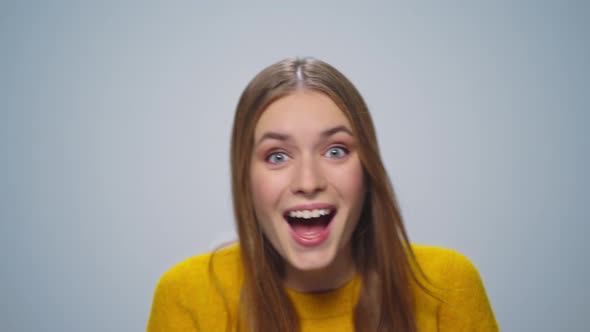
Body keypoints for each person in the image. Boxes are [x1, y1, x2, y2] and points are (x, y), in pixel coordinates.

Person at [147, 57, 499, 331]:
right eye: (277, 156)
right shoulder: (187, 296)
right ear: (246, 179)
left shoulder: (447, 286)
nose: (308, 180)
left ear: (367, 168)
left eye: (335, 151)